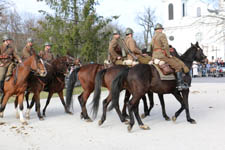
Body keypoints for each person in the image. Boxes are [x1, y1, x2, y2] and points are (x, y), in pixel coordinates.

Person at [151, 23, 188, 90]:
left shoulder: (153, 37)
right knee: (178, 66)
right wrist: (168, 55)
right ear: (159, 29)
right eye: (161, 29)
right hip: (161, 55)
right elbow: (166, 46)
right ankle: (180, 84)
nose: (162, 30)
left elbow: (151, 47)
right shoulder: (162, 35)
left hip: (154, 56)